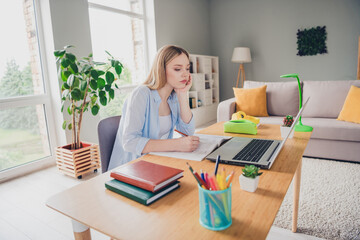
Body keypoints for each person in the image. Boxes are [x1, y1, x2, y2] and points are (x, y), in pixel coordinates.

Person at [108, 45, 200, 170]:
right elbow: (129, 142)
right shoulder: (141, 94)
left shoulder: (173, 97)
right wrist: (176, 144)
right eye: (178, 69)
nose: (185, 74)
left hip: (155, 161)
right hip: (131, 167)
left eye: (187, 68)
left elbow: (187, 132)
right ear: (161, 69)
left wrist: (183, 94)